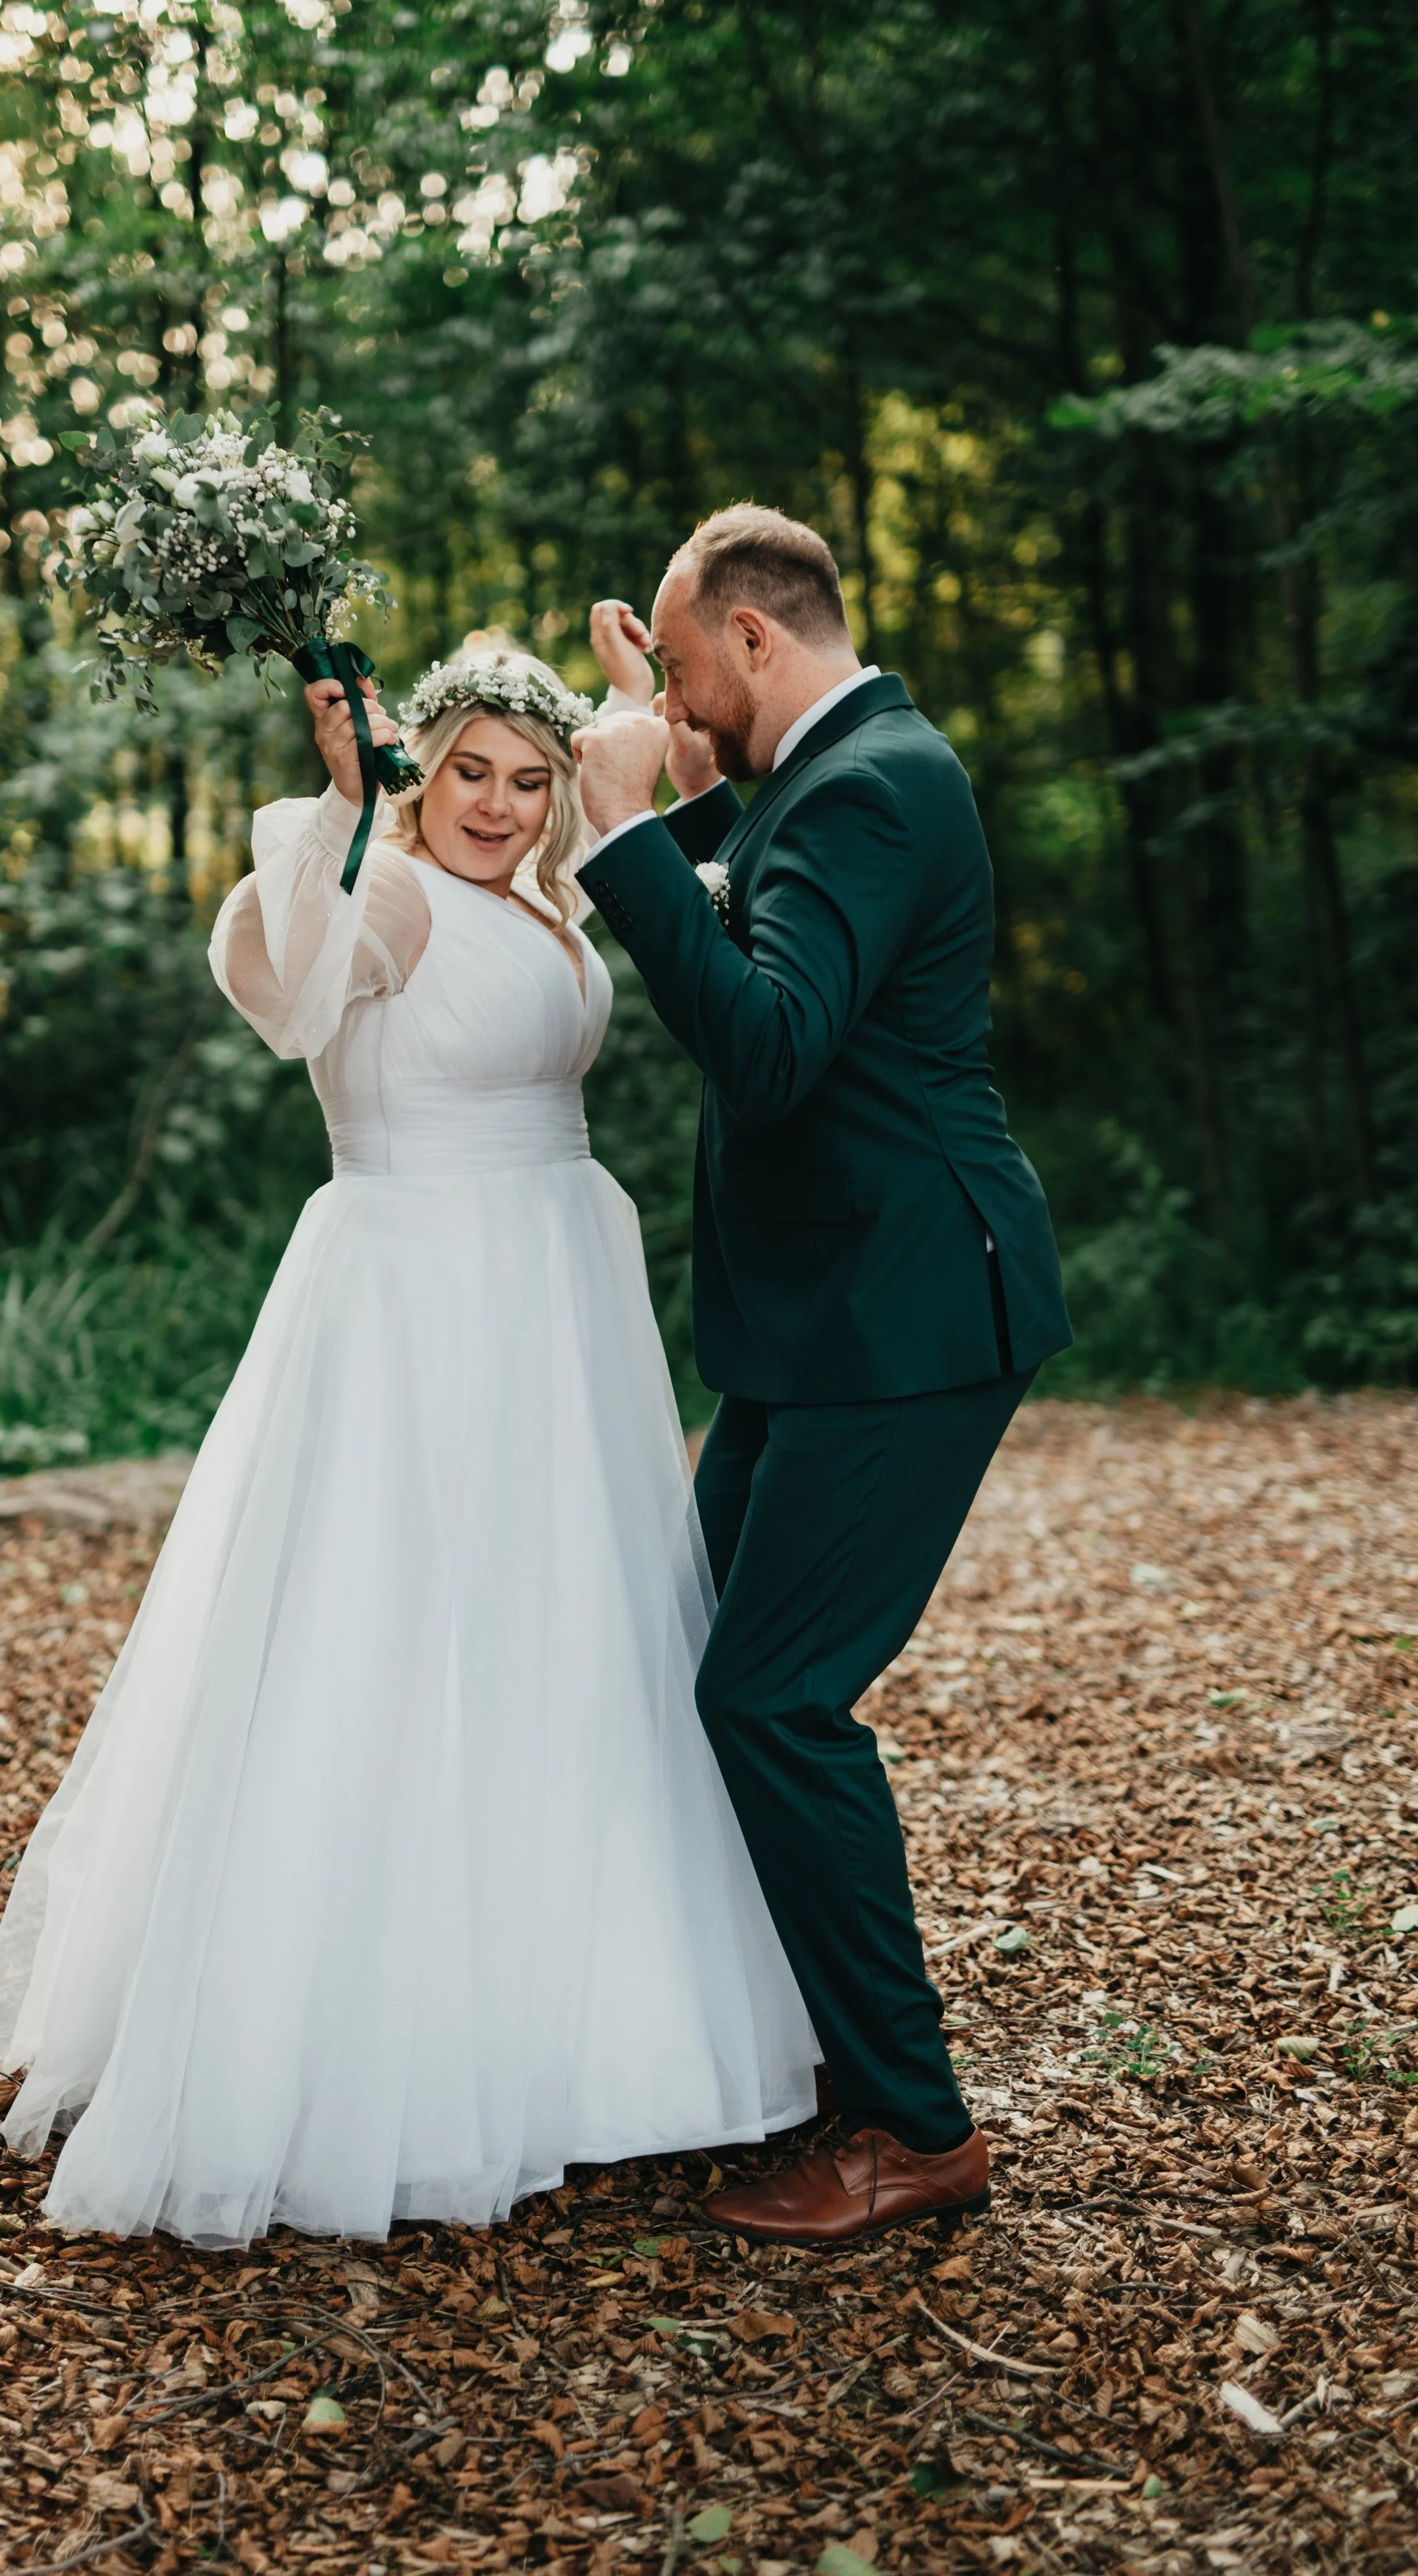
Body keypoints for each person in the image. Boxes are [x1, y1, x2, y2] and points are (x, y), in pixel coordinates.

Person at [0, 643, 820, 2248]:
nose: (496, 805)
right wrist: (339, 818)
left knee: (562, 1634)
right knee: (393, 1623)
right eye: (469, 773)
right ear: (421, 767)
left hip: (551, 1287)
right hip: (416, 1292)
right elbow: (291, 1001)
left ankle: (595, 2012)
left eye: (525, 779)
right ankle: (380, 2034)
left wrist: (659, 746)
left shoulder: (552, 903)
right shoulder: (387, 888)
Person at [576, 512, 1072, 2246]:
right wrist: (679, 794)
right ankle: (750, 2043)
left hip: (908, 1316)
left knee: (771, 1700)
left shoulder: (873, 781)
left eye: (690, 668)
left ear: (756, 641)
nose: (680, 702)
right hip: (822, 1321)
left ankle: (910, 2127)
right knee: (687, 1632)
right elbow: (762, 907)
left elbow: (772, 1041)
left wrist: (628, 826)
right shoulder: (836, 768)